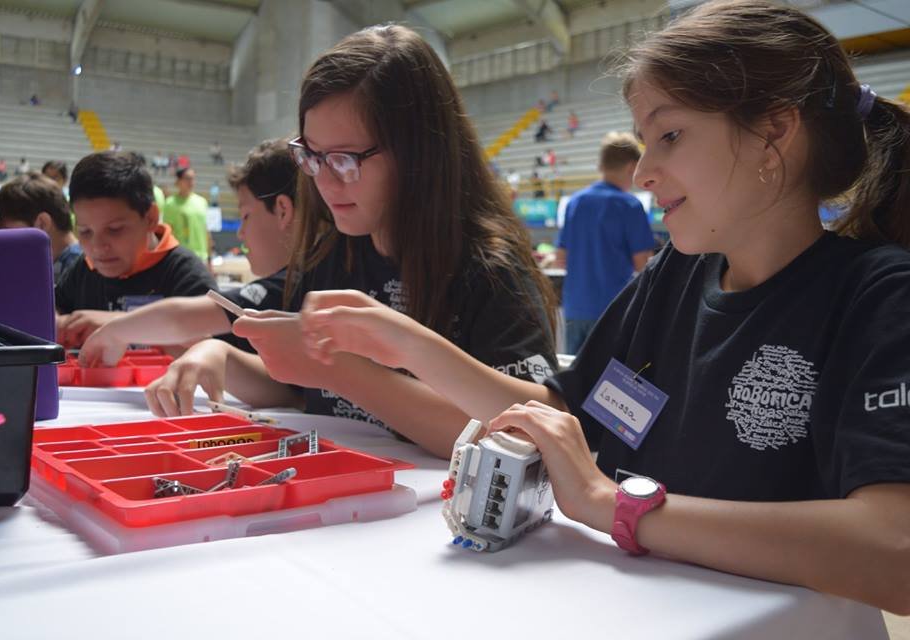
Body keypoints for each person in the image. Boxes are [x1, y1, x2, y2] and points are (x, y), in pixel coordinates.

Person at [288, 0, 910, 613]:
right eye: (644, 142)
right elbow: (569, 416)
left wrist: (616, 506)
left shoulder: (878, 295)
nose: (644, 172)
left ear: (774, 130)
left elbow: (894, 549)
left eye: (669, 135)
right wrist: (407, 345)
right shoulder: (677, 274)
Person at [225, 24, 558, 458]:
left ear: (419, 153)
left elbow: (527, 432)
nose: (324, 181)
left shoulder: (487, 268)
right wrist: (221, 361)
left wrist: (345, 373)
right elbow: (295, 389)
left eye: (345, 160)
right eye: (312, 155)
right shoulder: (335, 250)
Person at [78, 140, 301, 412]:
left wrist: (115, 329)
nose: (241, 233)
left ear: (282, 210)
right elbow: (291, 393)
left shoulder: (304, 281)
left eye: (245, 216)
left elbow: (182, 319)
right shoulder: (293, 283)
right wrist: (218, 353)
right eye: (85, 232)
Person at [54, 151, 215, 347]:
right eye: (85, 232)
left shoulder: (185, 274)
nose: (97, 246)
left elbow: (214, 345)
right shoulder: (84, 269)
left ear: (150, 218)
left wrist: (121, 325)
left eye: (114, 230)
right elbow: (54, 307)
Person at [556, 132, 655, 353]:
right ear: (632, 168)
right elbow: (644, 264)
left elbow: (560, 258)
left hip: (574, 308)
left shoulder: (575, 202)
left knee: (574, 381)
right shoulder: (629, 205)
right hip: (612, 310)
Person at [0, 172, 81, 282]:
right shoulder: (61, 263)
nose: (6, 242)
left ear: (42, 223)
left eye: (9, 232)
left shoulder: (77, 269)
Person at [163, 167, 211, 265]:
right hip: (181, 258)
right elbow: (167, 234)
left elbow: (206, 231)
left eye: (193, 178)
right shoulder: (170, 204)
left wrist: (210, 258)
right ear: (178, 181)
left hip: (202, 257)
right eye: (188, 178)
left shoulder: (202, 202)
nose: (191, 182)